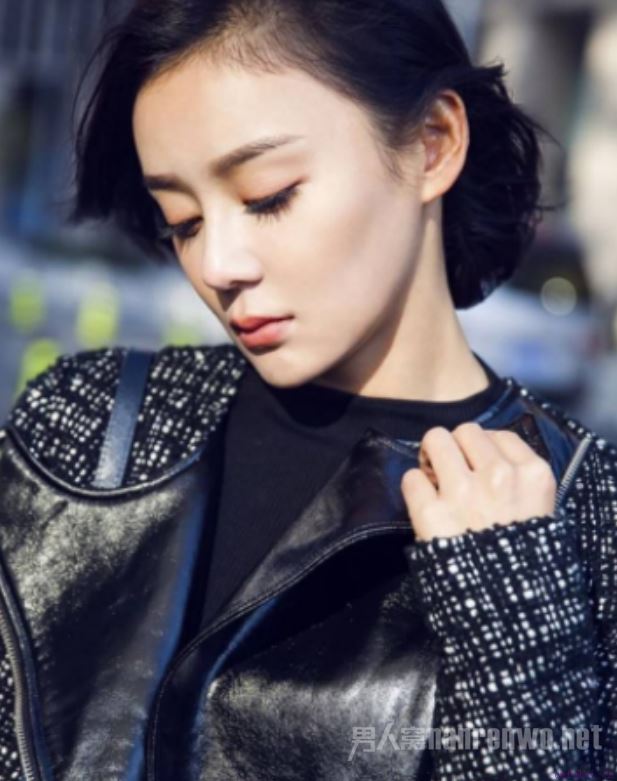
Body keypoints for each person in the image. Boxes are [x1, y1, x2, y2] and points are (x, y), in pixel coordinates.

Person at [0, 0, 615, 779]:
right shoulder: (92, 426)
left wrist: (511, 619)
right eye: (182, 220)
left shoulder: (582, 512)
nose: (217, 264)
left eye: (268, 196)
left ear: (432, 143)